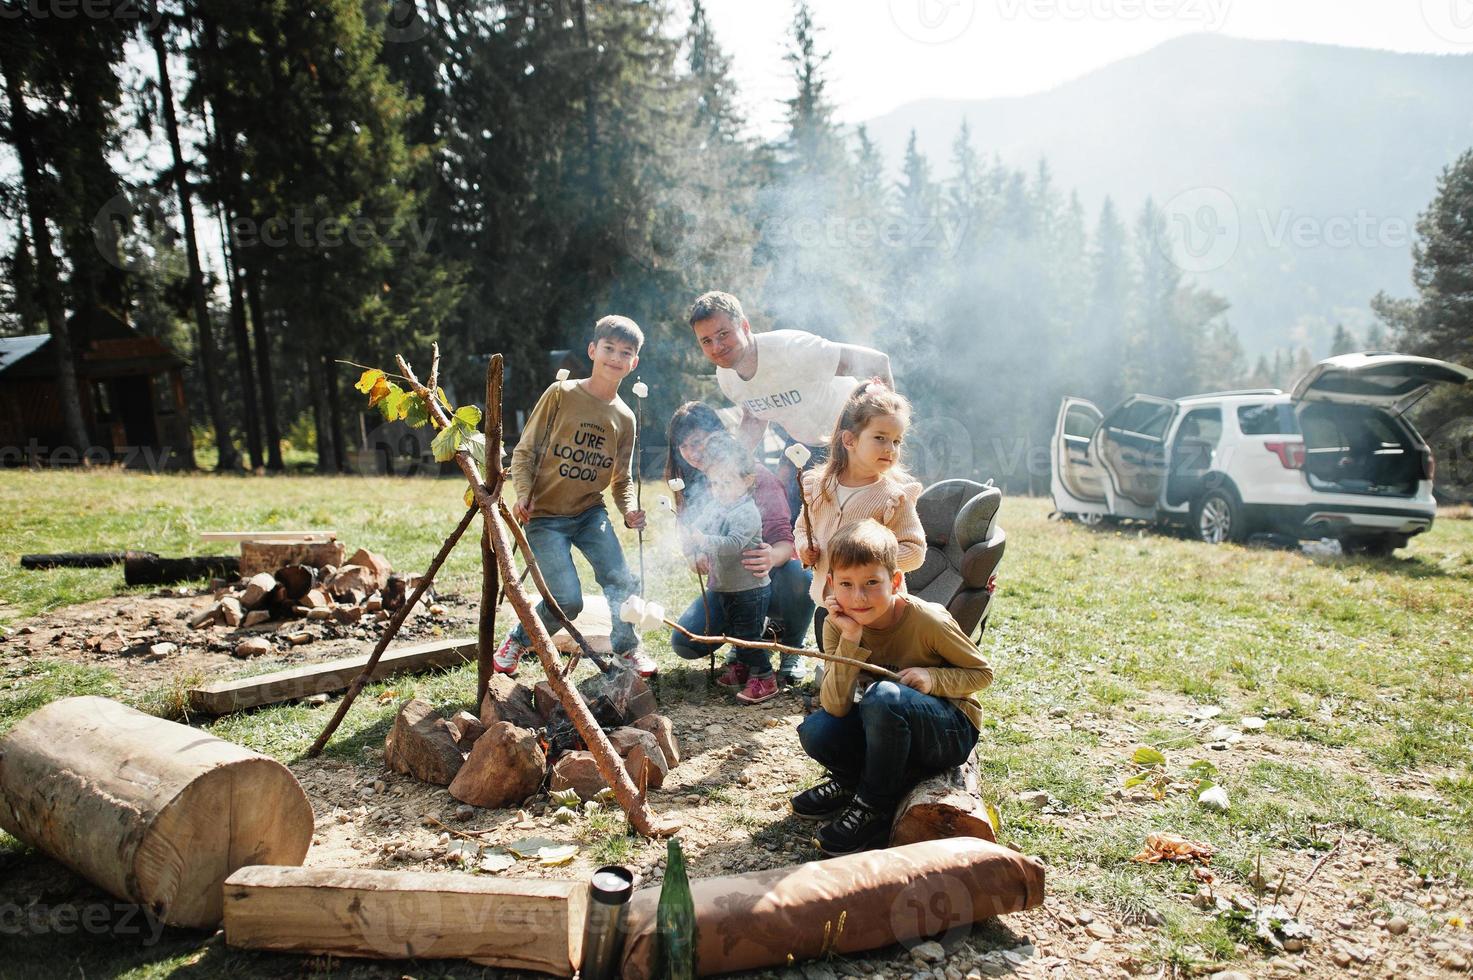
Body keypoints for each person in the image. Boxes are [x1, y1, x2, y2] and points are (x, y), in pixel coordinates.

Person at [792, 520, 993, 855]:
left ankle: (872, 807)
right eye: (846, 584)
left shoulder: (928, 620)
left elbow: (982, 674)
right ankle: (852, 783)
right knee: (817, 730)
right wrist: (851, 640)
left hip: (948, 729)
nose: (858, 597)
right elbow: (836, 707)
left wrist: (934, 679)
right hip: (887, 728)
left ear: (896, 581)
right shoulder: (837, 625)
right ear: (831, 585)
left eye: (872, 582)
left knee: (883, 697)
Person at [494, 315, 655, 677]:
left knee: (622, 581)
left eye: (625, 352)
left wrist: (629, 510)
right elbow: (524, 452)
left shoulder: (625, 417)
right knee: (567, 600)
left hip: (589, 514)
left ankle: (627, 648)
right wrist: (523, 494)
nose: (615, 357)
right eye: (609, 348)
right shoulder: (562, 393)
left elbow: (622, 478)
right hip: (546, 517)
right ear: (592, 350)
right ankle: (520, 640)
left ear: (634, 363)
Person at [687, 291, 892, 521]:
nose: (717, 347)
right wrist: (734, 464)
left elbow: (877, 363)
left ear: (744, 326)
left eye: (723, 334)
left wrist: (888, 436)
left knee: (855, 523)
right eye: (706, 341)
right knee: (789, 518)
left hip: (852, 442)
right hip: (803, 445)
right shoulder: (726, 377)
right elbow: (755, 416)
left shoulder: (792, 349)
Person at [664, 402, 814, 686]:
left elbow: (786, 541)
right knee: (686, 642)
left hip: (766, 577)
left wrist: (772, 556)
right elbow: (690, 539)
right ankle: (747, 642)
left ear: (717, 434)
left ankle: (791, 648)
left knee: (800, 577)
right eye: (684, 446)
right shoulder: (692, 484)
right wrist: (696, 556)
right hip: (728, 583)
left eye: (698, 442)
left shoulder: (754, 477)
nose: (693, 453)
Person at [793, 379, 926, 650]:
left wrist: (870, 561)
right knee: (839, 671)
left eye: (897, 441)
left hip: (877, 614)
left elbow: (915, 551)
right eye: (880, 438)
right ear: (849, 440)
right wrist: (805, 548)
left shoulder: (892, 497)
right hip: (830, 604)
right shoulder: (819, 486)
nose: (891, 449)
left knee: (869, 674)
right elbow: (801, 529)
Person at [678, 437, 778, 704]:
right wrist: (689, 532)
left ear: (747, 481)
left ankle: (765, 678)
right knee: (735, 631)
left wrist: (704, 541)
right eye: (714, 483)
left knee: (748, 635)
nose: (719, 489)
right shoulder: (717, 506)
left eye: (727, 482)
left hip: (749, 589)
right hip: (726, 584)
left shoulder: (746, 512)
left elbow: (732, 545)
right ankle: (744, 667)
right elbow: (700, 522)